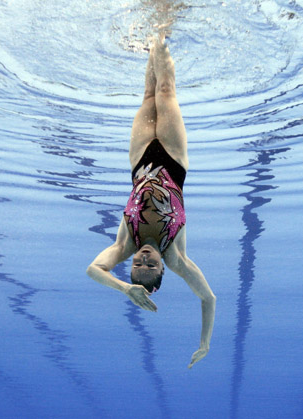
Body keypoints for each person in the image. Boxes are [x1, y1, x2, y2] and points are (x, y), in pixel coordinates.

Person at [86, 34, 216, 368]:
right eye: (151, 266)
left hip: (140, 159)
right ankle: (162, 27)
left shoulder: (125, 244)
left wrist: (123, 288)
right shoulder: (176, 257)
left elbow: (93, 269)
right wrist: (204, 344)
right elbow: (207, 298)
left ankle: (151, 36)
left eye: (136, 267)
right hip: (173, 159)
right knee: (165, 92)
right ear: (162, 269)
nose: (143, 260)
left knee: (147, 93)